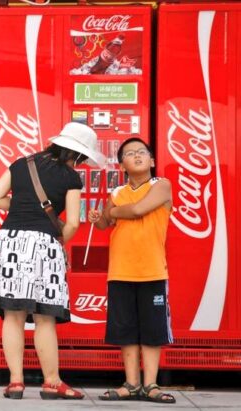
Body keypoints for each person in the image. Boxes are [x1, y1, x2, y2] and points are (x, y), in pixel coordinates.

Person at [0, 122, 105, 400]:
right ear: (78, 154)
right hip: (43, 245)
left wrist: (19, 209)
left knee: (12, 316)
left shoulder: (21, 163)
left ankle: (15, 382)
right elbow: (73, 223)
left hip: (9, 241)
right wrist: (58, 237)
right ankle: (51, 382)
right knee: (44, 317)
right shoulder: (71, 177)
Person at [88, 137, 176, 404]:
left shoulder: (161, 186)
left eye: (142, 152)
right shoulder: (115, 193)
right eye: (129, 154)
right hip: (120, 270)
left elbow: (138, 210)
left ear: (152, 160)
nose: (137, 156)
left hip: (152, 270)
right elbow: (104, 223)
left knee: (152, 330)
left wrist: (114, 212)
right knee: (125, 330)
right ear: (122, 165)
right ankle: (132, 383)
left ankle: (151, 384)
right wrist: (100, 217)